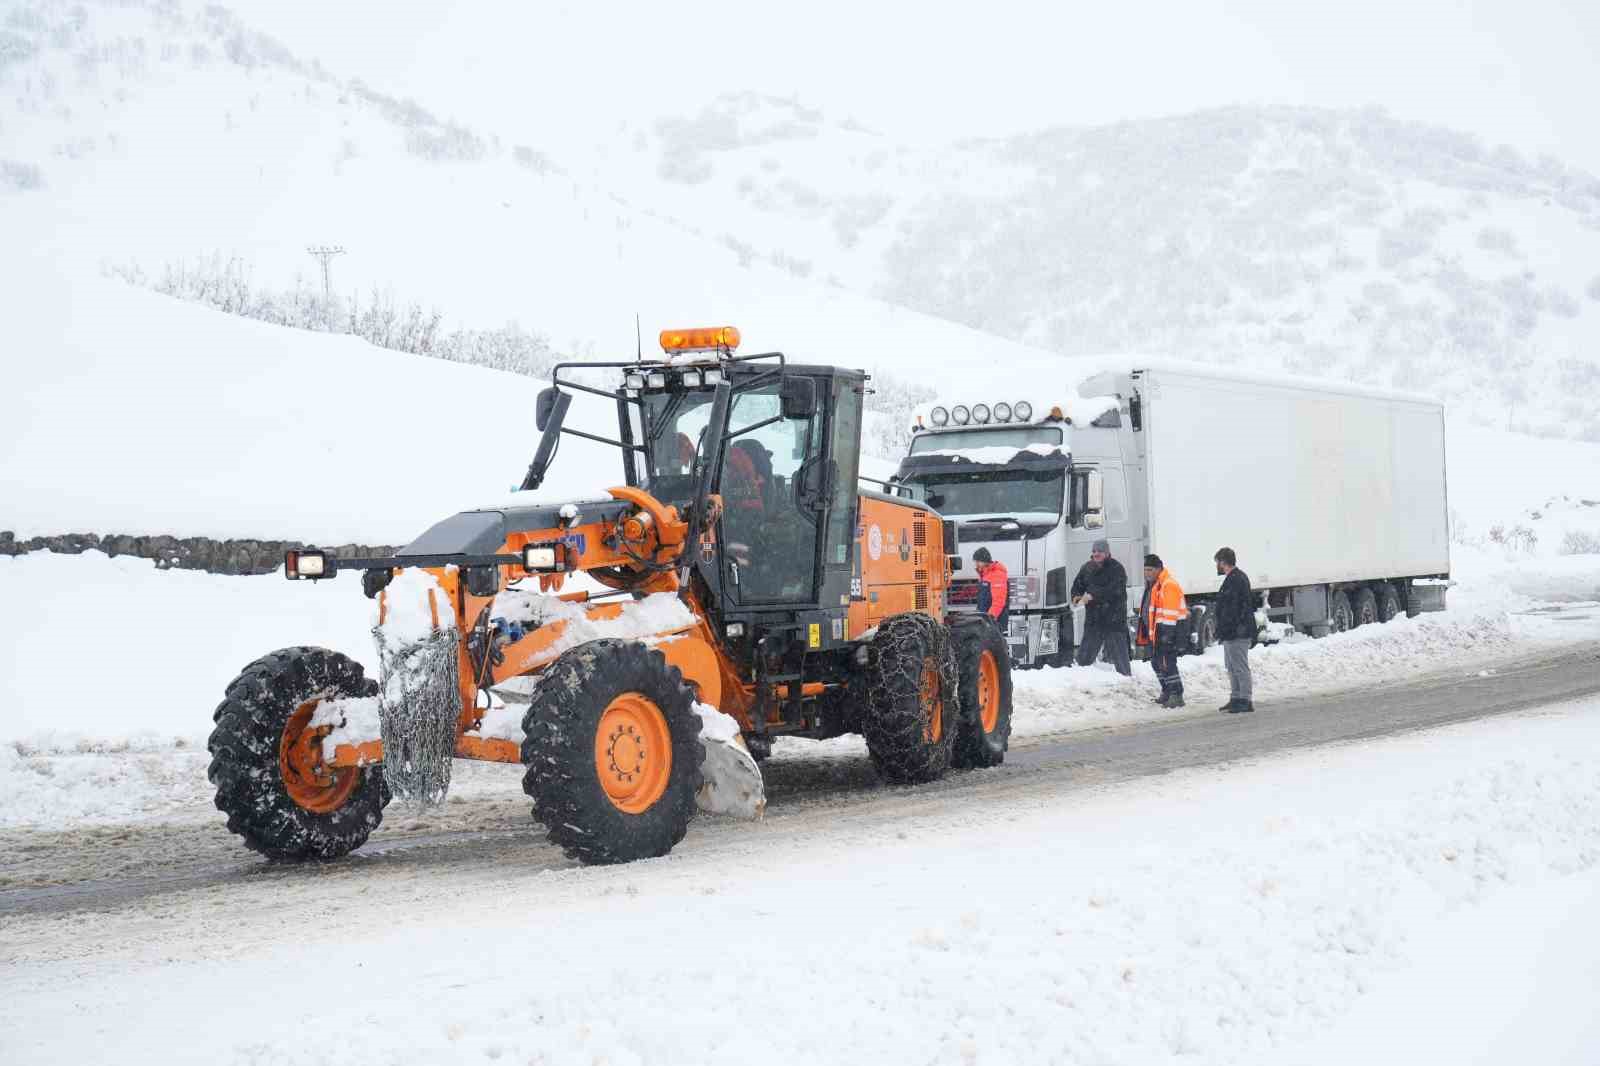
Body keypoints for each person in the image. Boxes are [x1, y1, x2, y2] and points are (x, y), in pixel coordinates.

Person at [1071, 539, 1131, 675]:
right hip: (1094, 620)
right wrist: (1076, 596)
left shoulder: (1117, 569)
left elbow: (1114, 590)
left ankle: (1126, 679)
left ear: (1107, 553)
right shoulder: (1087, 567)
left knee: (1120, 658)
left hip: (1113, 619)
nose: (1096, 554)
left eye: (1099, 551)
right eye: (1094, 551)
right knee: (1084, 657)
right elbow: (1077, 585)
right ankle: (1080, 679)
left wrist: (1092, 596)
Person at [1136, 553, 1186, 707]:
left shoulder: (1167, 585)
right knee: (1157, 663)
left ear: (1158, 569)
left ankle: (1176, 694)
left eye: (1150, 570)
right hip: (1158, 632)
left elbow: (1170, 613)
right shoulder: (1155, 585)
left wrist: (1167, 636)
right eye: (1145, 570)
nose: (1147, 573)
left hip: (1167, 632)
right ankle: (1167, 691)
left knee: (1167, 663)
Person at [1213, 546, 1255, 713]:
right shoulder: (1234, 578)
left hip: (1238, 632)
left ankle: (1245, 699)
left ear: (1223, 562)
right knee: (1231, 666)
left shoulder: (1237, 579)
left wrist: (1228, 628)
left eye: (1217, 563)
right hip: (1232, 631)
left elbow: (1233, 609)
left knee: (1239, 666)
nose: (1217, 566)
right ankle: (1236, 697)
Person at [972, 547, 1010, 635]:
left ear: (984, 561)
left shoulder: (997, 575)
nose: (976, 564)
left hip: (994, 623)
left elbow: (999, 602)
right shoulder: (986, 575)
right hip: (988, 621)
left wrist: (988, 621)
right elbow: (985, 596)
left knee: (992, 647)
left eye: (978, 561)